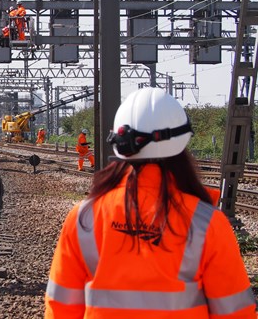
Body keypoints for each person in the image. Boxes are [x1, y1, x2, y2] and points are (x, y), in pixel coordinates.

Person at [44, 87, 256, 318]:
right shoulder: (206, 223)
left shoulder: (84, 217)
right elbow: (235, 312)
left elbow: (60, 307)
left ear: (119, 141)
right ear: (182, 142)